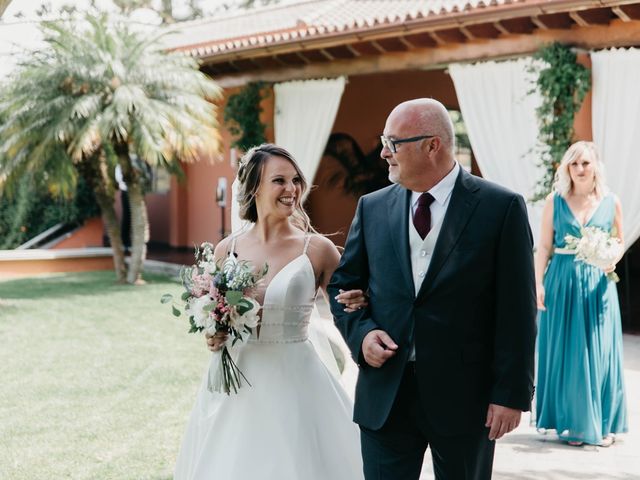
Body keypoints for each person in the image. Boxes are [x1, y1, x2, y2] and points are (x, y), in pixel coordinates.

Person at [328, 98, 537, 480]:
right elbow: (344, 287)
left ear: (431, 145)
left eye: (393, 142)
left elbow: (517, 310)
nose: (382, 152)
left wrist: (510, 395)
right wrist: (362, 335)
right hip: (386, 396)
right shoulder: (371, 207)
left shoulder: (500, 207)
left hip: (465, 399)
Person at [173, 144, 367, 480]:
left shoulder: (317, 249)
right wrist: (214, 332)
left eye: (295, 180)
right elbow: (217, 318)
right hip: (235, 379)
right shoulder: (226, 249)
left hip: (295, 378)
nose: (291, 189)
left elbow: (352, 308)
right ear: (254, 188)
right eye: (279, 180)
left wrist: (360, 301)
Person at [534, 141, 628, 447]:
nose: (580, 169)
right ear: (567, 168)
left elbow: (619, 241)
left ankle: (602, 422)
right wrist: (538, 283)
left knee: (599, 351)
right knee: (567, 351)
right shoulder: (555, 201)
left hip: (598, 286)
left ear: (595, 166)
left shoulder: (611, 201)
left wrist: (610, 257)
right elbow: (544, 246)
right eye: (574, 164)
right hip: (561, 280)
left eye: (585, 163)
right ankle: (571, 422)